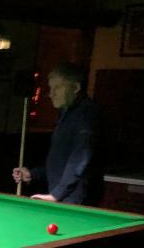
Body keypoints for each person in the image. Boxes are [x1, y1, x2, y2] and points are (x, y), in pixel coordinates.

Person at [12, 61, 102, 205]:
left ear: (76, 87)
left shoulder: (87, 114)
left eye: (58, 87)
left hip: (77, 200)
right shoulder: (66, 112)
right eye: (50, 88)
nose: (51, 93)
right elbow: (60, 159)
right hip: (63, 196)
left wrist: (56, 194)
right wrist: (33, 174)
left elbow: (80, 159)